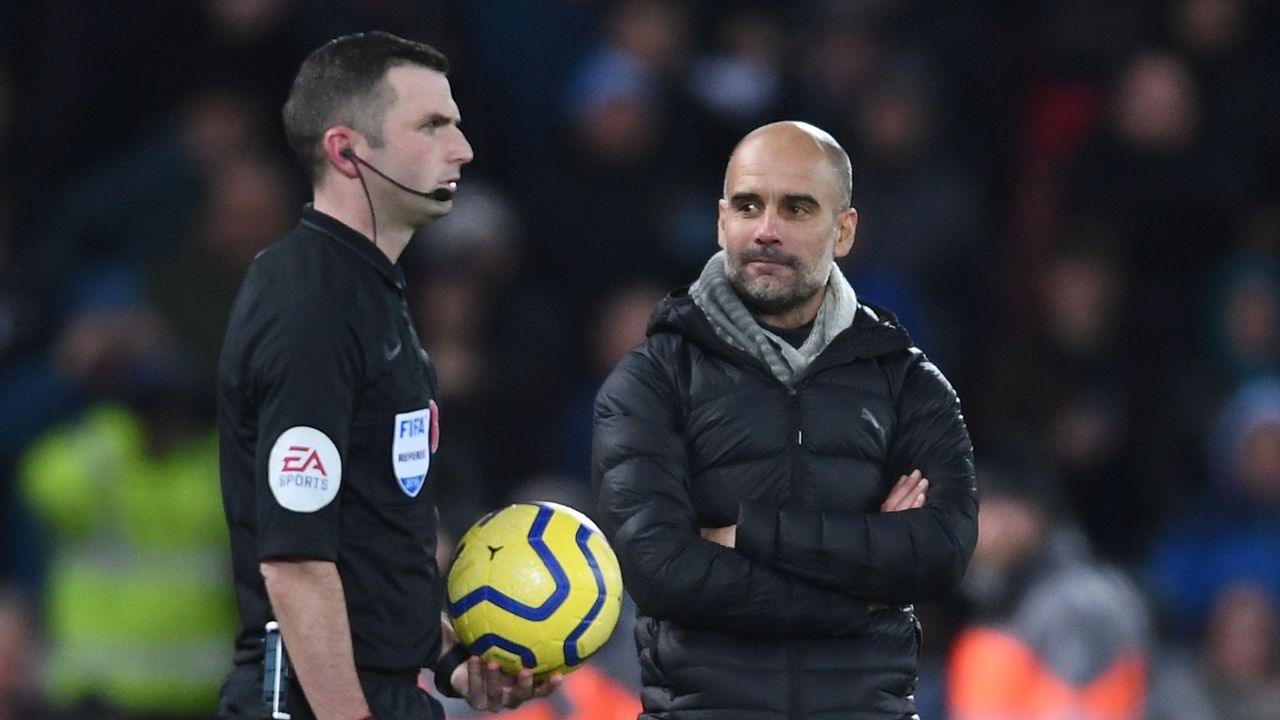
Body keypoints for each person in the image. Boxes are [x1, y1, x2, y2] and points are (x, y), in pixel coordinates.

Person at [217, 31, 557, 720]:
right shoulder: (309, 303)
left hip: (381, 689)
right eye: (431, 125)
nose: (461, 148)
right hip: (312, 699)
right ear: (347, 150)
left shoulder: (371, 292)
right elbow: (296, 564)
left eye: (456, 124)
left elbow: (368, 540)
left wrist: (452, 667)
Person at [592, 120, 978, 718]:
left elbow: (940, 551)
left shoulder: (908, 384)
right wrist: (863, 589)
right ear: (722, 222)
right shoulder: (652, 380)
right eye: (749, 206)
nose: (767, 230)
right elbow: (662, 569)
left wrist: (743, 536)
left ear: (844, 230)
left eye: (797, 209)